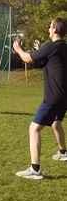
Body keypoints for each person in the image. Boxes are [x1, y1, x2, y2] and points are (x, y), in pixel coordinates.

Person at [13, 18, 67, 180]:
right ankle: (63, 153)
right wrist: (38, 51)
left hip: (53, 96)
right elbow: (44, 62)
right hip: (64, 97)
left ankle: (35, 169)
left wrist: (18, 49)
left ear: (55, 29)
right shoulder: (63, 48)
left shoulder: (51, 46)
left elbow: (29, 58)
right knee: (56, 123)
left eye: (50, 27)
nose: (48, 29)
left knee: (34, 128)